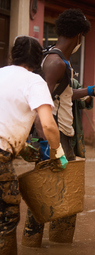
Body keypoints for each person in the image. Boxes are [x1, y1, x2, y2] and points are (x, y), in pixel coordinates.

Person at [22, 9, 95, 247]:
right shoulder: (56, 62)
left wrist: (90, 90)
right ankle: (39, 240)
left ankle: (46, 241)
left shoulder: (55, 59)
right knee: (58, 187)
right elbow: (41, 103)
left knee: (57, 187)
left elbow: (63, 95)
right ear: (79, 36)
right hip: (55, 137)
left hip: (59, 134)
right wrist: (49, 147)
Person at [0, 36, 67, 255]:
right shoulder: (34, 81)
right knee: (7, 215)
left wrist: (20, 147)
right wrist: (57, 153)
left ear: (13, 55)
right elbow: (48, 125)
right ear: (38, 60)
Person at [71, 78, 93, 157]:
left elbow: (82, 104)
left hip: (73, 126)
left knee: (74, 158)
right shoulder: (46, 80)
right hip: (57, 125)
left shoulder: (74, 83)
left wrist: (88, 95)